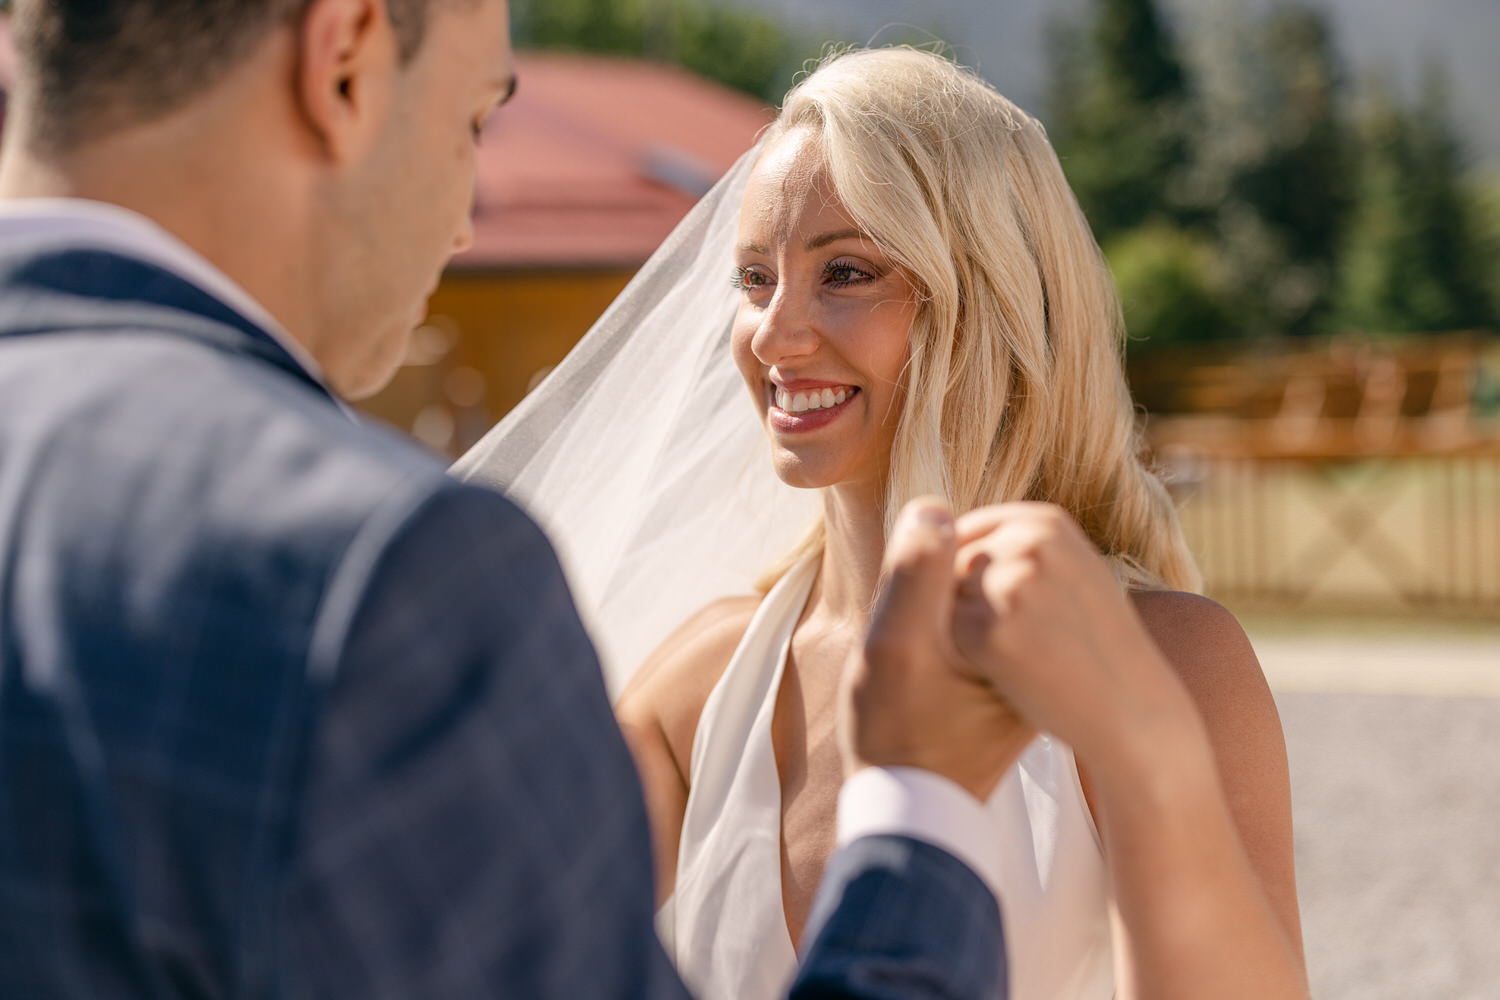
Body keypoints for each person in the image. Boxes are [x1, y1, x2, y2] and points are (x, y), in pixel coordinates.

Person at [0, 3, 1040, 997]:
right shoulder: (375, 575)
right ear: (346, 60)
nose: (462, 222)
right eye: (470, 121)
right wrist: (919, 808)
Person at [457, 46, 1307, 1000]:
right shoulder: (700, 693)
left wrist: (1135, 739)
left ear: (983, 299)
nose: (774, 335)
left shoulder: (1171, 661)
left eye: (846, 272)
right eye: (751, 279)